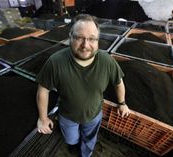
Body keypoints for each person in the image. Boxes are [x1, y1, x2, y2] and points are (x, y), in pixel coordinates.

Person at [36, 14, 130, 157]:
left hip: (94, 115)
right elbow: (43, 90)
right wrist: (43, 118)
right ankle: (73, 145)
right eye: (79, 37)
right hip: (67, 116)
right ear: (70, 36)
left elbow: (118, 82)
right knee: (71, 140)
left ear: (98, 40)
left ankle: (85, 153)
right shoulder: (55, 62)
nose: (85, 45)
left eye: (91, 38)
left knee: (89, 140)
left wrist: (122, 103)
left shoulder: (107, 61)